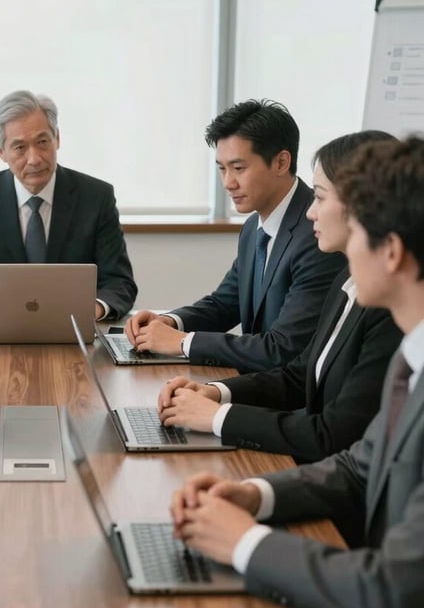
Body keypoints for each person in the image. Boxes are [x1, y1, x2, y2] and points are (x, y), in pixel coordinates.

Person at [170, 136, 424, 608]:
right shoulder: (412, 357)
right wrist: (254, 496)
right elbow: (357, 468)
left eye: (353, 229)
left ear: (392, 250)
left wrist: (242, 543)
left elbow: (393, 591)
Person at [158, 131, 401, 465]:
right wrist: (215, 392)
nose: (311, 212)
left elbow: (331, 434)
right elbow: (300, 373)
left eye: (320, 197)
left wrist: (217, 416)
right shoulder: (347, 280)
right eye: (222, 169)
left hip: (326, 470)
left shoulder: (385, 309)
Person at [126, 99, 345, 373]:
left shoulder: (318, 236)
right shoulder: (254, 226)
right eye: (222, 168)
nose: (228, 182)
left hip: (288, 399)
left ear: (281, 162)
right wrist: (170, 322)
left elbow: (282, 349)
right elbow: (224, 304)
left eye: (239, 168)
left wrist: (182, 343)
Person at [0, 90, 138, 321]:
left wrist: (93, 310)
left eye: (42, 142)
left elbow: (119, 283)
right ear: (1, 151)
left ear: (57, 138)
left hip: (74, 332)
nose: (34, 159)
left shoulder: (96, 197)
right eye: (20, 147)